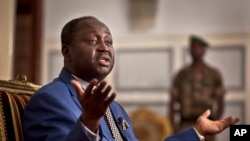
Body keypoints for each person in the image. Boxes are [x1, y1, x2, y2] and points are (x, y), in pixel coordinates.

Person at [23, 16, 239, 141]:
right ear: (67, 52)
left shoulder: (113, 108)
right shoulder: (49, 100)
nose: (104, 48)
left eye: (108, 41)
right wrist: (88, 125)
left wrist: (196, 132)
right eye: (92, 41)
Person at [169, 35, 226, 141]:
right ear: (190, 50)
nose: (196, 50)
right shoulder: (181, 75)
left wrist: (215, 125)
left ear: (204, 50)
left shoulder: (213, 74)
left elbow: (220, 102)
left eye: (199, 47)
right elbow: (172, 103)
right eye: (193, 47)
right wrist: (174, 127)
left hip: (207, 124)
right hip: (185, 125)